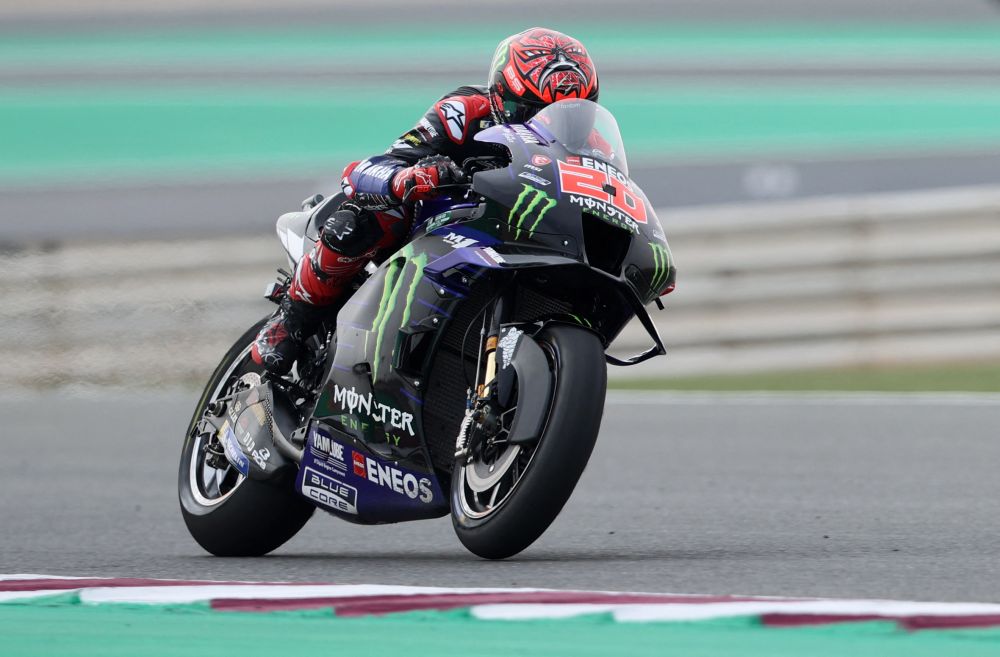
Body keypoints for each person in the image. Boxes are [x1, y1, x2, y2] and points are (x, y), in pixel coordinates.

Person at [252, 27, 600, 374]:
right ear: (501, 96)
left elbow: (608, 204)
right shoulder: (463, 113)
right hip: (434, 227)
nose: (551, 125)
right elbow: (367, 170)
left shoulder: (596, 147)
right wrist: (409, 178)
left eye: (570, 115)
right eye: (533, 111)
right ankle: (294, 317)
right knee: (364, 218)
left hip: (514, 240)